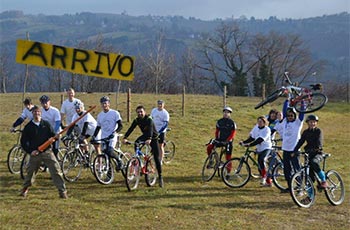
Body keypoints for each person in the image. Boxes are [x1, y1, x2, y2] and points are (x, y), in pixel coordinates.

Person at [20, 105, 67, 198]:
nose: (36, 114)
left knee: (56, 170)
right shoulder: (28, 127)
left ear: (40, 113)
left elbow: (53, 135)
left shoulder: (46, 124)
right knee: (30, 173)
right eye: (34, 112)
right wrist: (30, 151)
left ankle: (62, 191)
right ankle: (25, 189)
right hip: (35, 154)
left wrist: (56, 137)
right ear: (32, 114)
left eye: (38, 112)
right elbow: (23, 142)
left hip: (47, 152)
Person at [123, 105, 163, 188]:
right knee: (136, 143)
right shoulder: (137, 120)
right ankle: (139, 161)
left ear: (144, 112)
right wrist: (125, 137)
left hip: (154, 137)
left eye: (141, 112)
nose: (140, 113)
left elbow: (151, 129)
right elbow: (131, 128)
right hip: (145, 136)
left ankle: (160, 176)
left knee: (156, 157)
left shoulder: (149, 119)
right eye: (138, 112)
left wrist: (149, 139)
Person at [273, 100, 305, 192]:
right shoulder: (285, 122)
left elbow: (302, 113)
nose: (290, 117)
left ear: (295, 116)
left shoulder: (298, 123)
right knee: (287, 170)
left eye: (292, 115)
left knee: (297, 169)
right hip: (286, 150)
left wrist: (302, 101)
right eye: (288, 115)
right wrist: (286, 100)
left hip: (294, 150)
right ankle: (290, 187)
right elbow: (284, 111)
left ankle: (300, 187)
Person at [293, 114, 328, 188]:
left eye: (314, 122)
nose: (312, 123)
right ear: (308, 123)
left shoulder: (318, 131)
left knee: (314, 162)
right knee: (308, 175)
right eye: (311, 122)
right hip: (308, 153)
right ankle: (310, 197)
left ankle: (324, 180)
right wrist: (295, 150)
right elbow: (301, 141)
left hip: (317, 153)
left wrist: (318, 147)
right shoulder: (305, 132)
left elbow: (319, 141)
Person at [91, 96, 123, 168]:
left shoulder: (115, 113)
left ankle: (119, 160)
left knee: (110, 151)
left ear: (109, 104)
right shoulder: (100, 115)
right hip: (104, 137)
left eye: (105, 103)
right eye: (102, 103)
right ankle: (109, 175)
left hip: (112, 136)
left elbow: (120, 125)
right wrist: (93, 136)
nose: (104, 105)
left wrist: (115, 133)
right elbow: (98, 127)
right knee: (106, 156)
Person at [240, 116, 272, 186]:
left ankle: (264, 178)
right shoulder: (256, 128)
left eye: (261, 122)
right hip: (259, 148)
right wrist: (244, 142)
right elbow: (252, 137)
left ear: (264, 122)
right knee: (260, 165)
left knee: (261, 160)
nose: (259, 123)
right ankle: (269, 182)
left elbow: (260, 140)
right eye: (258, 121)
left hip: (266, 147)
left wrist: (250, 144)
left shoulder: (267, 129)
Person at [206, 106, 237, 171]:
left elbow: (233, 133)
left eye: (227, 112)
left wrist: (228, 141)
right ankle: (211, 160)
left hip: (228, 141)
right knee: (209, 147)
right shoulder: (219, 121)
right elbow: (217, 131)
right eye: (225, 112)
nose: (226, 113)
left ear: (230, 114)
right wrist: (216, 139)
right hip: (220, 140)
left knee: (228, 157)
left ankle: (228, 172)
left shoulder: (232, 123)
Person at [151, 100, 170, 164]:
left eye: (161, 104)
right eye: (159, 104)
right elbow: (151, 118)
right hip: (154, 129)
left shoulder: (165, 113)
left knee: (160, 145)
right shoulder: (154, 110)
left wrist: (160, 131)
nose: (159, 105)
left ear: (163, 105)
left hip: (161, 131)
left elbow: (165, 124)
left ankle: (160, 160)